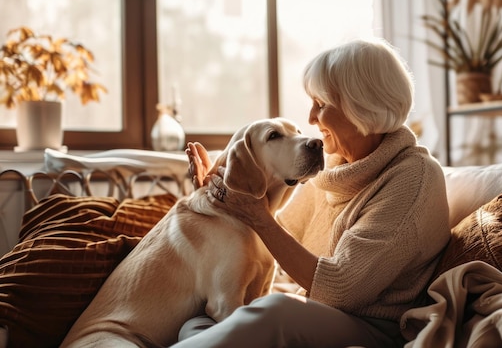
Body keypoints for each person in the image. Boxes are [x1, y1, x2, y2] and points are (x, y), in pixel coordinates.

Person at [173, 38, 450, 348]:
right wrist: (220, 199)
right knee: (198, 323)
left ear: (362, 106)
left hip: (377, 329)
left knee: (276, 312)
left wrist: (256, 215)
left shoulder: (412, 178)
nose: (311, 118)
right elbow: (278, 234)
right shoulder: (335, 167)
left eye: (322, 104)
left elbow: (340, 289)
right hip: (323, 313)